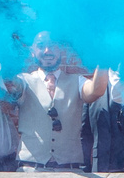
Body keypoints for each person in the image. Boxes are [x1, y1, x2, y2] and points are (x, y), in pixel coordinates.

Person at [10, 33, 106, 169]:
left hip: (69, 171)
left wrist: (104, 58)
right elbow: (11, 87)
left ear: (61, 50)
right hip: (30, 170)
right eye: (41, 46)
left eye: (52, 45)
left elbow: (96, 91)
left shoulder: (77, 81)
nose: (47, 51)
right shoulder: (24, 80)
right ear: (32, 51)